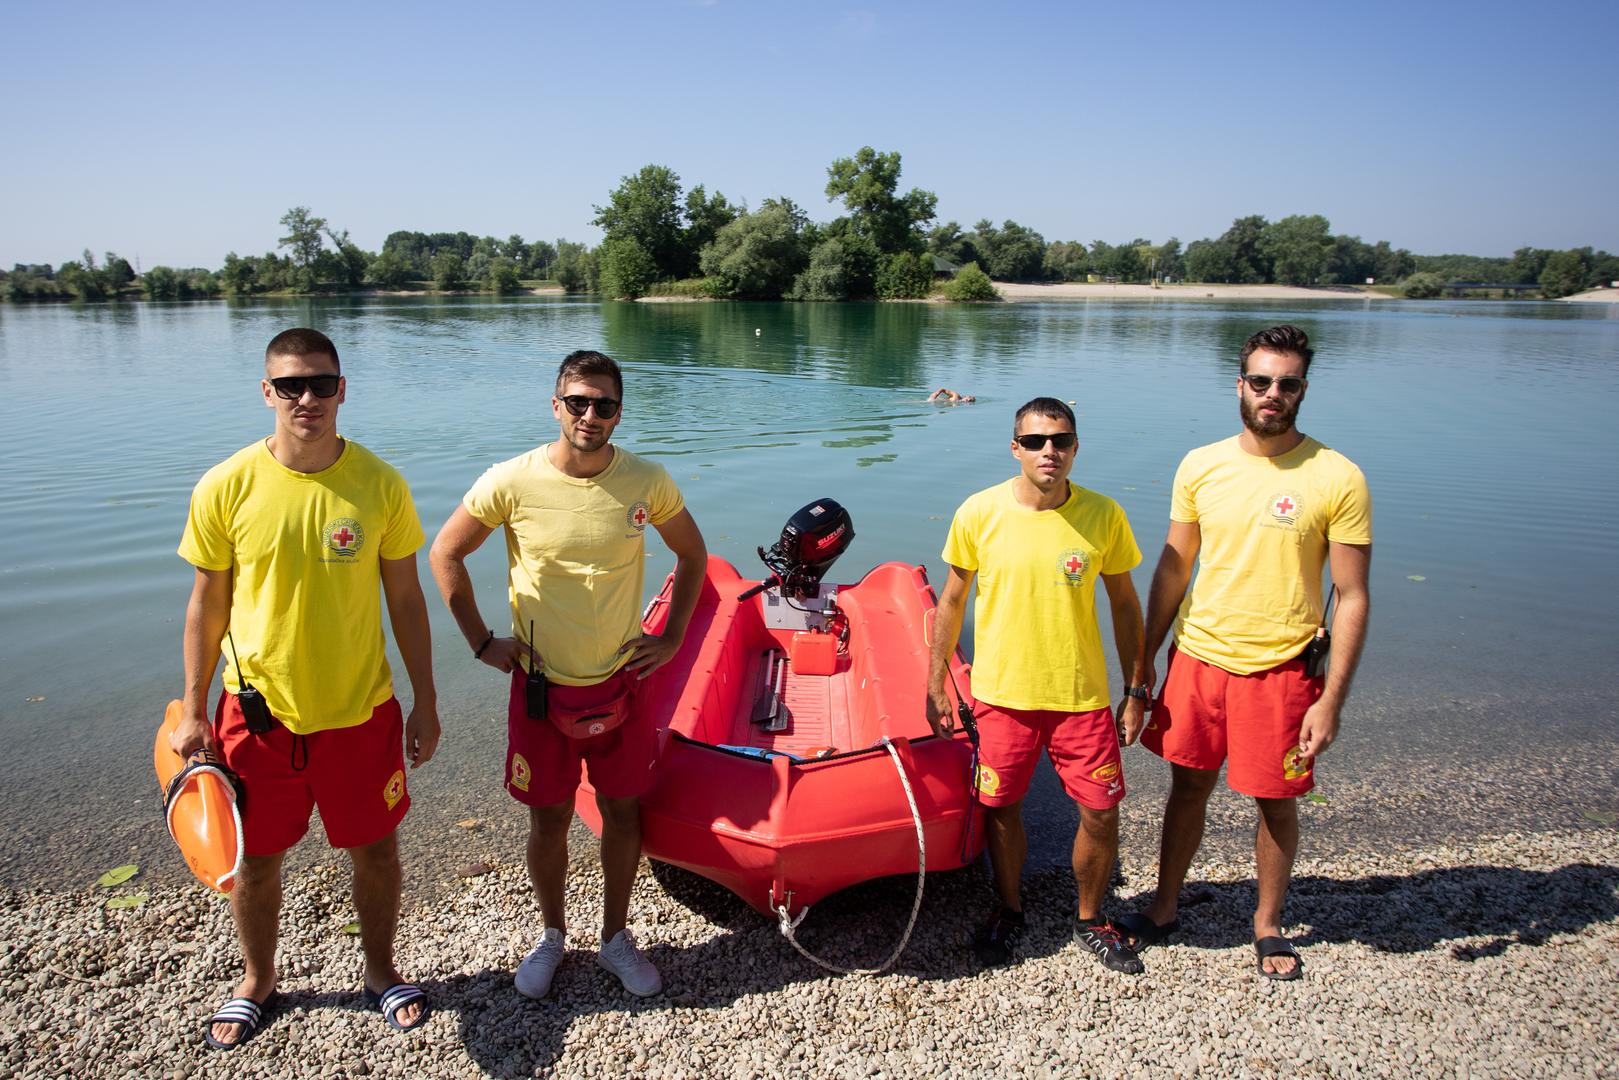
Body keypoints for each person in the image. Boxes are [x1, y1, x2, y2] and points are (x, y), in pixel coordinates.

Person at [174, 328, 439, 1049]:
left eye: (321, 384)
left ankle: (381, 972)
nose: (307, 399)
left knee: (377, 851)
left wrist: (427, 699)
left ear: (342, 390)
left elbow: (407, 601)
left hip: (361, 713)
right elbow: (207, 604)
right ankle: (258, 979)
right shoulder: (226, 485)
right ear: (267, 392)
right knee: (256, 861)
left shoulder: (380, 484)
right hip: (258, 718)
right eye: (290, 386)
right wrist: (193, 708)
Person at [429, 350, 706, 1000]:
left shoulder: (646, 482)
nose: (589, 414)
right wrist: (479, 642)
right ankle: (552, 936)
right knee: (548, 820)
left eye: (603, 404)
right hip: (538, 690)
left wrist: (669, 638)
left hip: (619, 683)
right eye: (577, 402)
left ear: (618, 412)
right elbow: (446, 551)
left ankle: (614, 938)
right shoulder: (510, 480)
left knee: (622, 813)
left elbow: (691, 553)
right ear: (555, 406)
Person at [1123, 324, 1372, 980]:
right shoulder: (1200, 464)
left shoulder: (1336, 476)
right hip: (1198, 660)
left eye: (1286, 384)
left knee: (1274, 799)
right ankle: (1163, 907)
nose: (1272, 394)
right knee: (1186, 788)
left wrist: (1332, 703)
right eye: (1259, 381)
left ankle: (1266, 924)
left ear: (1302, 391)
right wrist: (1144, 661)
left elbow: (1350, 596)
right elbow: (1172, 571)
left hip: (1281, 669)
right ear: (1239, 385)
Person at [926, 397, 1149, 973]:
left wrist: (1137, 688)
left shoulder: (1103, 515)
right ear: (1015, 447)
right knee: (1002, 808)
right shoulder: (979, 512)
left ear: (1076, 447)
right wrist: (938, 683)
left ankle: (1090, 917)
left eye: (1062, 440)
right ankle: (1010, 906)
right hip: (1002, 696)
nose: (1049, 451)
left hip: (1081, 698)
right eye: (1035, 441)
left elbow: (1125, 606)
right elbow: (951, 602)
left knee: (1100, 812)